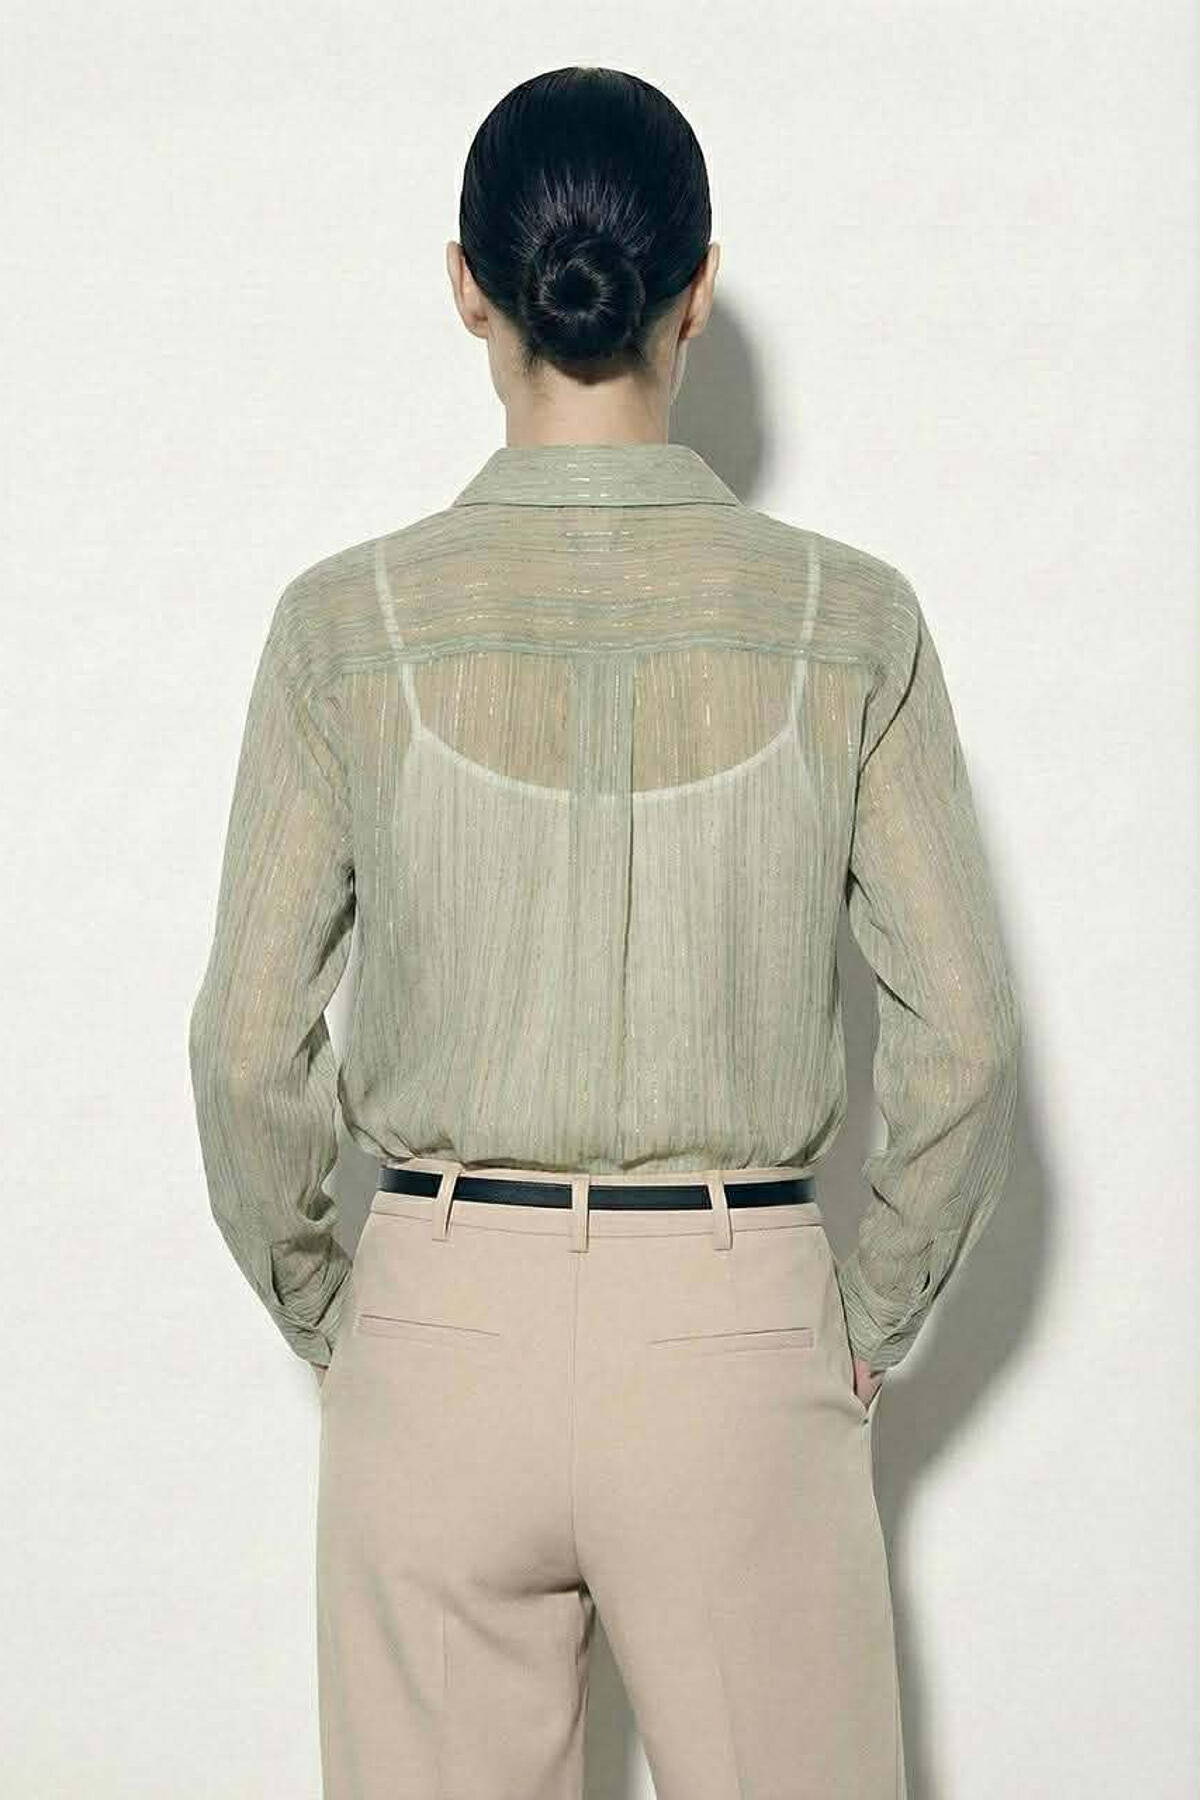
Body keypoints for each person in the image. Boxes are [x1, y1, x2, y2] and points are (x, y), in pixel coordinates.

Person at [188, 63, 1021, 1800]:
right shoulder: (848, 620)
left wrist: (351, 1313)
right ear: (695, 288)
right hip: (735, 1337)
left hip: (438, 1330)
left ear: (466, 285)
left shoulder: (345, 626)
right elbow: (963, 1040)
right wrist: (861, 1314)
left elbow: (245, 1045)